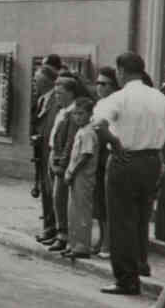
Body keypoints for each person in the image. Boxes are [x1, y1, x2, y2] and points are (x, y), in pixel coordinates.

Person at [92, 52, 165, 295]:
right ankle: (141, 264)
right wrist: (162, 159)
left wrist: (115, 142)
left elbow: (99, 125)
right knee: (142, 217)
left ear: (121, 71)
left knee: (121, 221)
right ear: (142, 71)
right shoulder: (160, 98)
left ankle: (126, 279)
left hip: (125, 160)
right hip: (151, 161)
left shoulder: (119, 98)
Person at [46, 74, 80, 252]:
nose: (57, 96)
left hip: (62, 160)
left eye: (60, 93)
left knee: (61, 198)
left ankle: (63, 235)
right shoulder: (62, 111)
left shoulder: (73, 114)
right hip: (54, 155)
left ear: (70, 93)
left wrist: (61, 163)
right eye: (56, 93)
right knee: (54, 196)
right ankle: (58, 231)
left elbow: (70, 141)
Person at [62, 97, 98, 259]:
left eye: (81, 113)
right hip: (76, 177)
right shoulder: (81, 130)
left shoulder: (89, 132)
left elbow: (85, 155)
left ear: (90, 114)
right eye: (75, 114)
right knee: (73, 210)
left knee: (82, 210)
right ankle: (74, 243)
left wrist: (72, 172)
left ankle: (83, 245)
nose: (77, 117)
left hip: (83, 177)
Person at [92, 66, 120, 257]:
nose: (99, 87)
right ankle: (102, 239)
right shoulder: (99, 104)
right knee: (98, 202)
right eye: (98, 83)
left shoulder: (114, 103)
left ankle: (108, 244)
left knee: (106, 201)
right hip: (96, 153)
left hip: (107, 152)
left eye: (104, 83)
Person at [31, 63, 60, 244]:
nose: (34, 84)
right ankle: (48, 228)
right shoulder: (42, 99)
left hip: (51, 151)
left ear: (47, 81)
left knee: (52, 192)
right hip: (41, 150)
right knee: (45, 190)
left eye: (37, 81)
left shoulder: (56, 101)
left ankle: (53, 229)